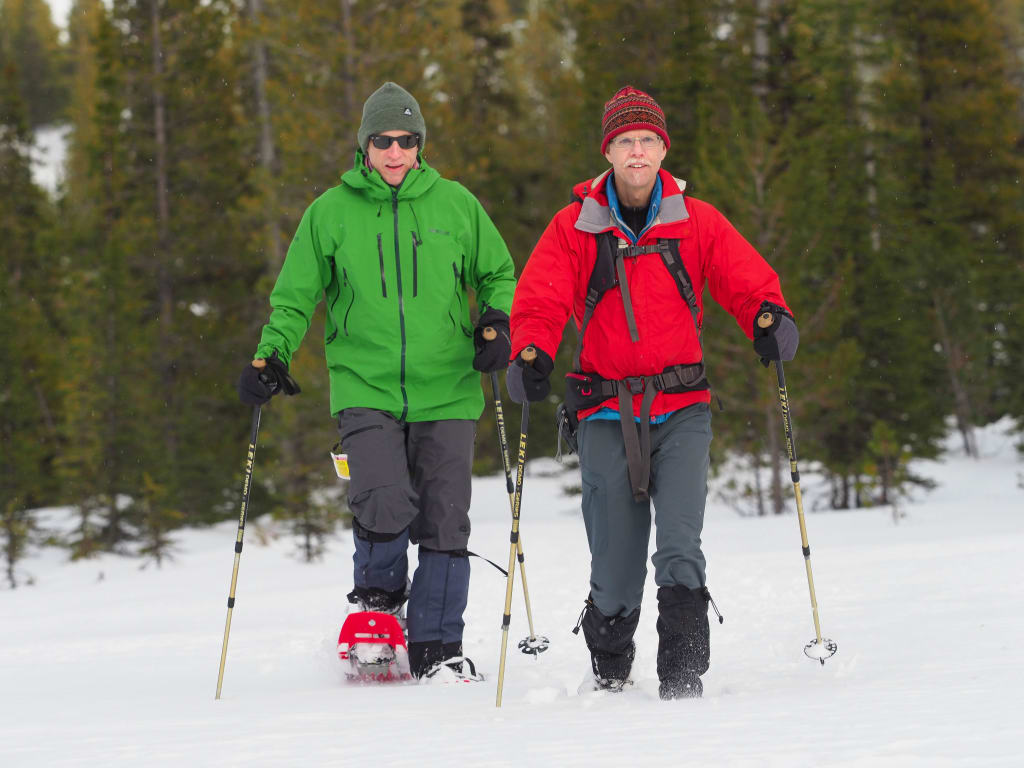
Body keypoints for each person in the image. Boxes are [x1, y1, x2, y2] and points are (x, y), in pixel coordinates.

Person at [507, 86, 798, 699]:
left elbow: (745, 279)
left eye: (647, 140)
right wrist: (531, 351)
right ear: (608, 152)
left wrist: (768, 316)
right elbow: (541, 300)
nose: (637, 151)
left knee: (680, 547)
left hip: (682, 405)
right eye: (625, 141)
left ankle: (682, 678)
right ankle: (610, 666)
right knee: (614, 567)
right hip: (603, 409)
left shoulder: (697, 220)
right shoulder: (574, 226)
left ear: (663, 149)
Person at [237, 82, 515, 679]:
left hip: (448, 386)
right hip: (364, 385)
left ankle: (438, 649)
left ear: (420, 145)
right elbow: (295, 297)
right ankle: (379, 617)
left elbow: (498, 273)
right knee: (382, 499)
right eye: (383, 140)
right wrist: (272, 355)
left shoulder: (455, 204)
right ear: (364, 145)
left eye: (406, 140)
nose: (395, 151)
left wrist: (497, 322)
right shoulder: (330, 213)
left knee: (444, 519)